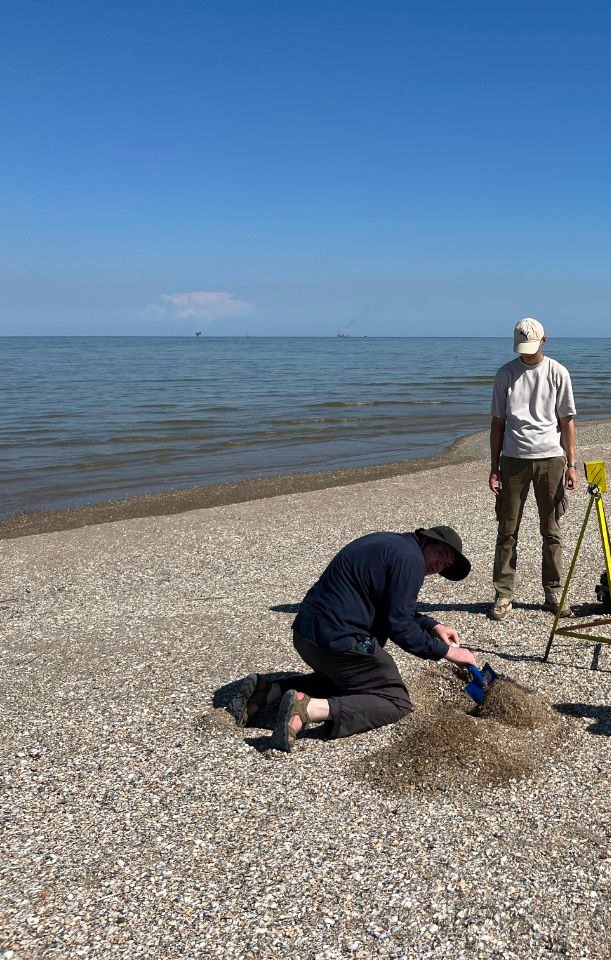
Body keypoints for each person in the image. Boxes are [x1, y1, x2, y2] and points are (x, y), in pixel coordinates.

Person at [231, 526, 479, 752]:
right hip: (338, 642)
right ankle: (307, 709)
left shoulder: (391, 545)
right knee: (395, 700)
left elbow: (395, 608)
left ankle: (270, 691)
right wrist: (448, 652)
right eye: (441, 554)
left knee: (355, 685)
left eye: (445, 566)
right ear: (426, 539)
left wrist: (434, 625)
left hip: (306, 636)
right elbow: (400, 627)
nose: (439, 566)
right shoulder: (410, 559)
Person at [487, 317, 577, 620]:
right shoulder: (505, 375)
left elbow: (567, 421)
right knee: (507, 531)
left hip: (551, 459)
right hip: (512, 461)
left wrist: (572, 464)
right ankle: (503, 594)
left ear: (544, 341)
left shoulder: (558, 372)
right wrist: (493, 467)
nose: (527, 353)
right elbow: (497, 422)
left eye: (532, 347)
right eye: (522, 348)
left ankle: (553, 592)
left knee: (551, 530)